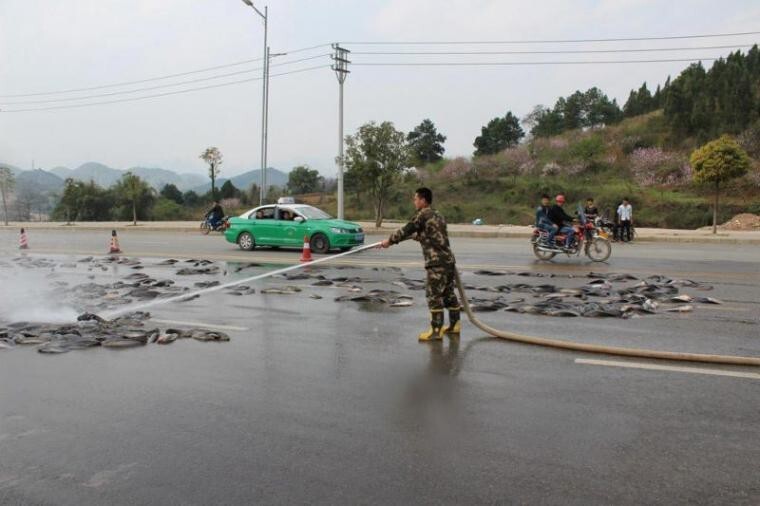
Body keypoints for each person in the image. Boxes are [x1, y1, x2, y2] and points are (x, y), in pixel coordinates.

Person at [380, 187, 460, 342]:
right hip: (449, 261)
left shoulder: (422, 214)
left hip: (436, 263)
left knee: (434, 296)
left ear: (423, 201)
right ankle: (454, 326)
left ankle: (436, 331)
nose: (414, 201)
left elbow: (407, 229)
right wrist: (391, 242)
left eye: (416, 199)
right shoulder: (437, 214)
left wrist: (389, 241)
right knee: (448, 294)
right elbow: (423, 234)